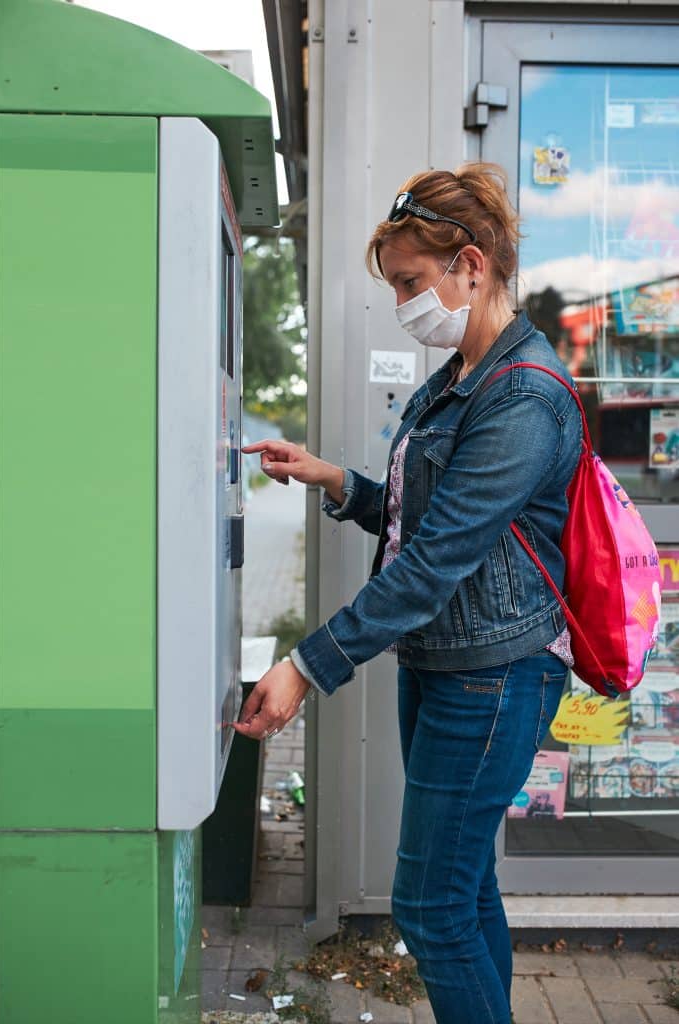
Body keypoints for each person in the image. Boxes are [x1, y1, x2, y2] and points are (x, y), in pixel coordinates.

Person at [233, 163, 582, 1024]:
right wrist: (335, 480)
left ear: (470, 263)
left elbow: (434, 563)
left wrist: (306, 668)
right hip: (446, 663)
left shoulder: (524, 396)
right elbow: (427, 516)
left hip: (495, 677)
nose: (401, 304)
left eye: (409, 283)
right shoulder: (461, 375)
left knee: (427, 907)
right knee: (463, 891)